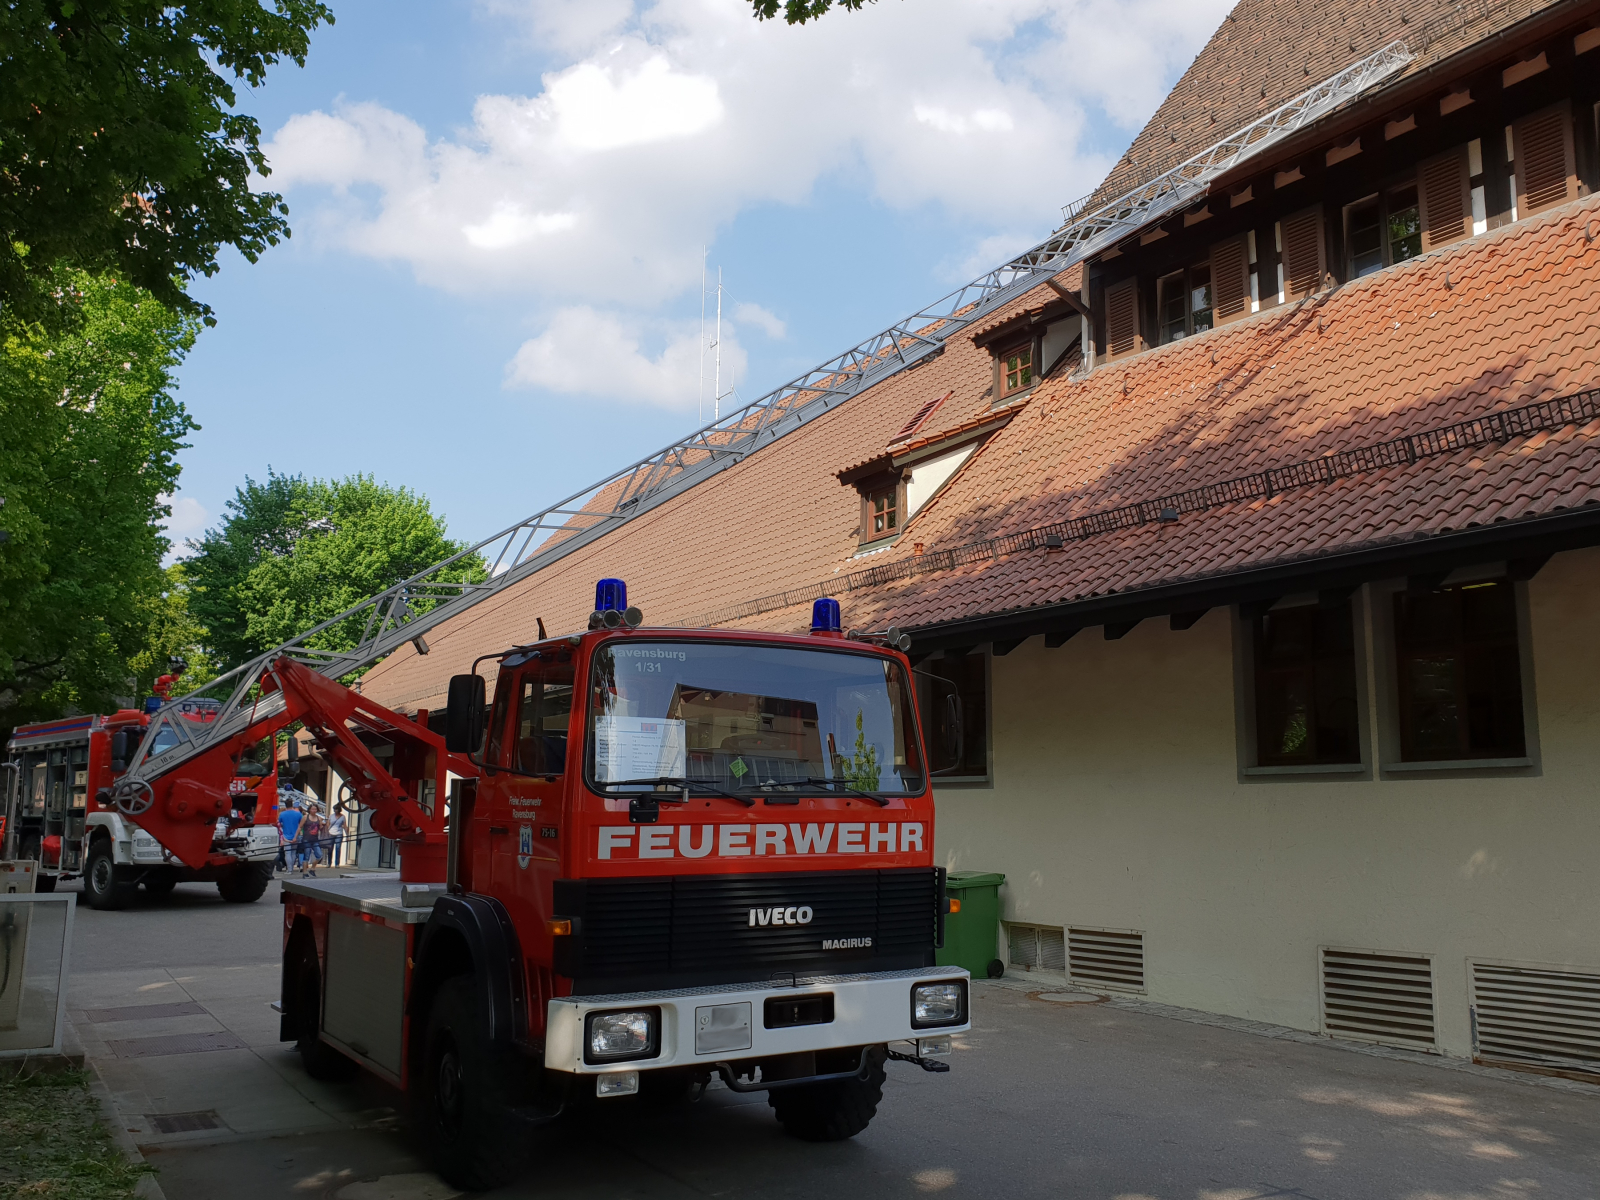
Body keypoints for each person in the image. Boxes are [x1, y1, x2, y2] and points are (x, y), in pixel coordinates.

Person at [276, 797, 303, 875]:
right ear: (292, 805)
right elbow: (301, 824)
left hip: (286, 836)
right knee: (294, 853)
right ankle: (291, 867)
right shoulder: (298, 814)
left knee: (287, 853)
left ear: (285, 805)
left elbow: (278, 823)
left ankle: (289, 870)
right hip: (296, 835)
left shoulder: (282, 814)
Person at [298, 804, 323, 877]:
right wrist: (296, 836)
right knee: (307, 855)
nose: (314, 811)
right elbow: (300, 827)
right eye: (312, 809)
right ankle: (305, 872)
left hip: (315, 839)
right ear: (309, 810)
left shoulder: (319, 818)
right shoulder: (305, 817)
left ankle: (312, 868)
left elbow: (320, 828)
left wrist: (322, 824)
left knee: (319, 855)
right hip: (306, 839)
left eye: (315, 809)